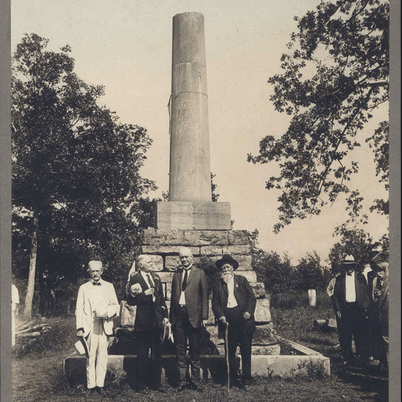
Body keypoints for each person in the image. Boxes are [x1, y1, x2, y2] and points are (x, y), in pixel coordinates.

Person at [212, 254, 256, 390]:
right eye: (223, 268)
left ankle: (246, 381)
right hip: (228, 322)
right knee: (229, 352)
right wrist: (220, 316)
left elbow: (251, 297)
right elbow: (215, 303)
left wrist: (249, 311)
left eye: (228, 267)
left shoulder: (242, 280)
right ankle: (229, 380)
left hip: (244, 320)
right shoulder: (218, 284)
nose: (225, 270)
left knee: (246, 351)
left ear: (233, 268)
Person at [126, 254, 169, 392]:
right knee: (142, 355)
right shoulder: (134, 279)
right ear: (140, 265)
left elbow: (161, 298)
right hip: (142, 323)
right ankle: (141, 385)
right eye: (148, 262)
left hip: (156, 322)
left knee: (157, 354)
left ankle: (156, 384)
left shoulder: (155, 277)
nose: (151, 264)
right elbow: (130, 301)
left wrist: (165, 315)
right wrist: (144, 294)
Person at [75, 260, 119, 395]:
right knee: (90, 355)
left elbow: (116, 305)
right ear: (89, 272)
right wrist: (80, 327)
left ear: (102, 271)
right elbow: (79, 309)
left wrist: (107, 314)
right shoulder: (83, 288)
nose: (95, 273)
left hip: (104, 325)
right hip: (89, 326)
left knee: (102, 356)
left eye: (97, 271)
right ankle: (90, 385)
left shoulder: (109, 286)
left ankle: (100, 384)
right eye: (92, 271)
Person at [170, 247, 208, 391]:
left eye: (186, 257)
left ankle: (195, 381)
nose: (184, 260)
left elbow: (204, 296)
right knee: (180, 350)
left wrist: (204, 317)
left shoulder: (199, 274)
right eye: (182, 257)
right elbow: (173, 297)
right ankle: (182, 381)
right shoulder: (176, 275)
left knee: (194, 350)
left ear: (191, 257)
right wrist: (171, 318)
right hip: (178, 316)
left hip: (194, 317)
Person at [332, 255, 370, 367]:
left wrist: (364, 307)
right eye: (346, 266)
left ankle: (362, 359)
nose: (349, 268)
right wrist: (338, 309)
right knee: (345, 334)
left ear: (354, 266)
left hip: (358, 309)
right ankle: (347, 358)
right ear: (344, 266)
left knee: (360, 334)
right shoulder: (339, 279)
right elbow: (334, 296)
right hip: (345, 309)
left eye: (351, 265)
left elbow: (367, 293)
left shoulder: (361, 277)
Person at [370, 252, 389, 372]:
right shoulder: (375, 281)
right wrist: (377, 295)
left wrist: (386, 253)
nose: (379, 273)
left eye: (381, 270)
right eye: (377, 271)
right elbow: (372, 297)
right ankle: (384, 363)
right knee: (382, 339)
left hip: (390, 313)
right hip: (380, 315)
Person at [12, 283, 20, 347]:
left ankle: (12, 344)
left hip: (10, 310)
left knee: (11, 327)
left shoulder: (13, 287)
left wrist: (17, 311)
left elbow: (17, 301)